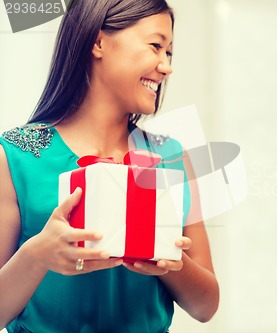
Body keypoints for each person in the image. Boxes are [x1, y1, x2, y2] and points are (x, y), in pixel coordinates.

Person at [0, 0, 219, 332]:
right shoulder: (15, 156)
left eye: (169, 53)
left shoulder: (172, 158)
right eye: (156, 46)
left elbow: (207, 307)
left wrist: (171, 263)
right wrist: (37, 255)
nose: (166, 66)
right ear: (99, 43)